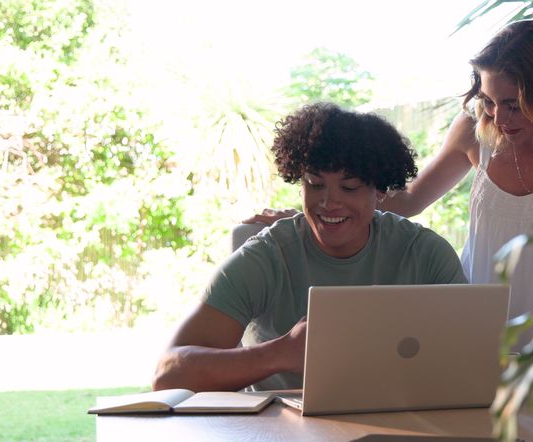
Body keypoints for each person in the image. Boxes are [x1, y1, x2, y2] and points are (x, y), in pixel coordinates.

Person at [248, 19, 533, 330]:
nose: (499, 118)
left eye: (514, 105)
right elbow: (406, 202)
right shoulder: (474, 131)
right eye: (488, 101)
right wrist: (311, 213)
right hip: (475, 321)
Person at [154, 102, 466, 393]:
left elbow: (471, 360)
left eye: (349, 187)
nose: (329, 202)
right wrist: (281, 353)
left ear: (380, 190)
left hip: (400, 431)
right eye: (315, 185)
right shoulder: (267, 257)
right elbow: (168, 375)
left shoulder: (424, 254)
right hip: (278, 437)